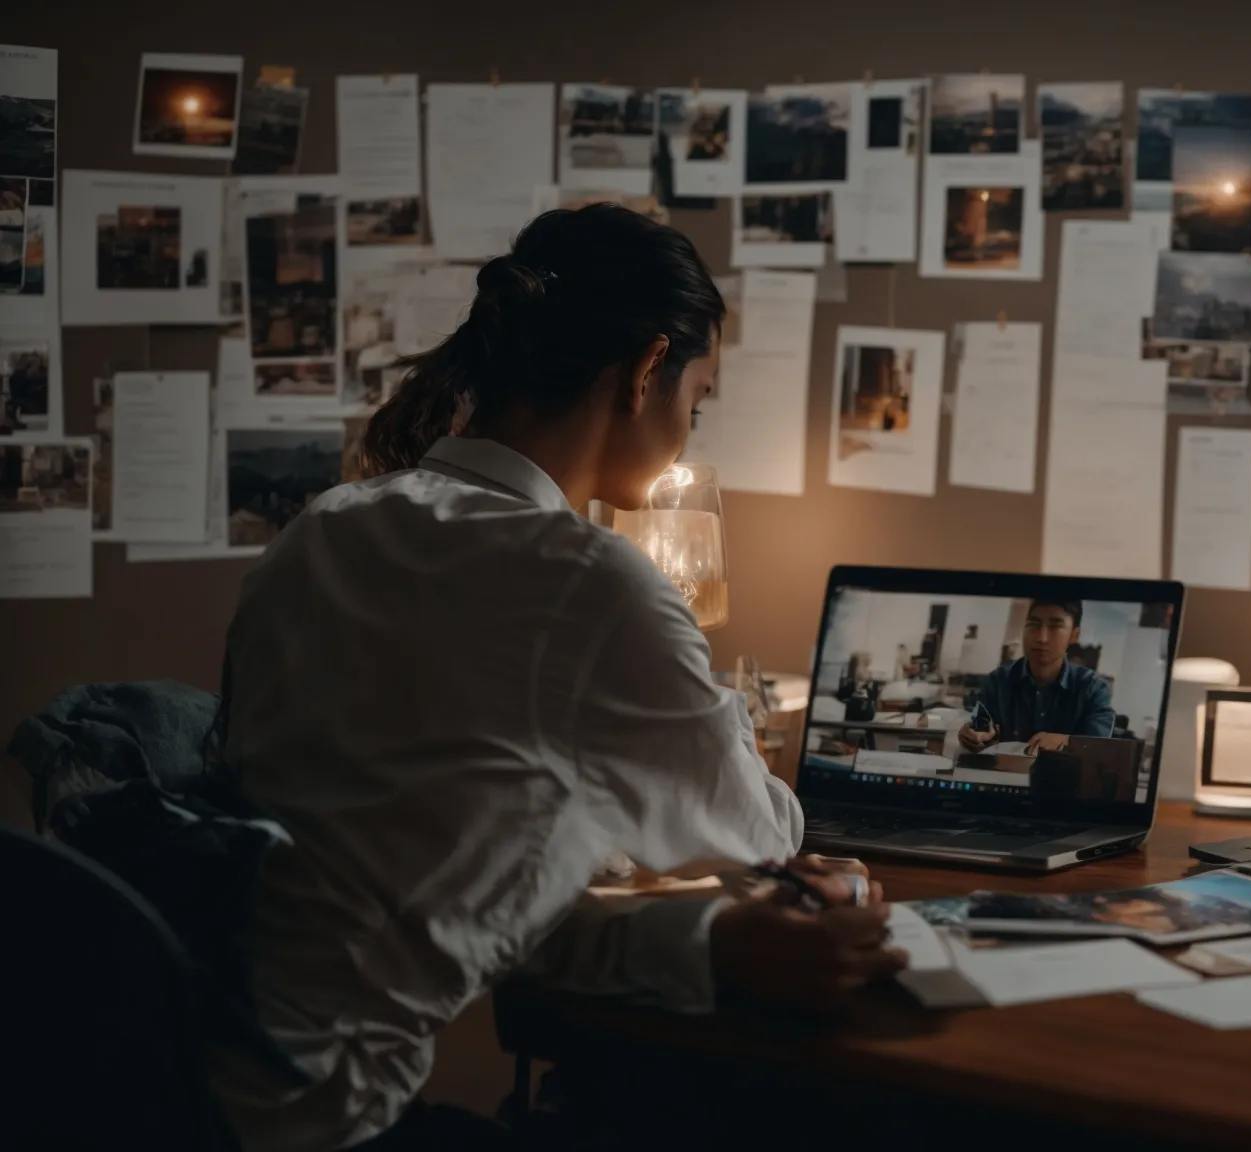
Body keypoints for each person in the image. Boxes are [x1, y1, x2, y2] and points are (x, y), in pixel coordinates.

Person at [205, 205, 904, 1152]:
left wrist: (702, 943)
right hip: (336, 1124)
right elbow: (756, 840)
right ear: (648, 369)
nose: (687, 433)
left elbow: (437, 886)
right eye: (694, 404)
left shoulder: (325, 528)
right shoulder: (592, 583)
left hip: (190, 1068)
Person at [957, 599, 1116, 755]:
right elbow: (977, 722)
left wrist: (1067, 741)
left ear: (1074, 635)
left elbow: (1100, 747)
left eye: (1055, 626)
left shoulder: (1092, 689)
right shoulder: (998, 681)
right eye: (1034, 624)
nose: (1042, 638)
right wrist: (972, 735)